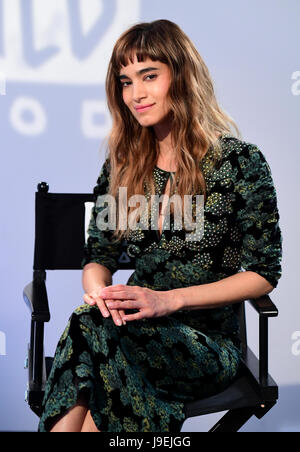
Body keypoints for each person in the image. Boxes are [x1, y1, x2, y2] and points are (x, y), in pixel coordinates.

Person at [38, 19, 282, 432]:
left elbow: (263, 275)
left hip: (204, 344)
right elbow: (98, 258)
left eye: (149, 76)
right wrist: (103, 298)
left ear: (182, 76)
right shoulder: (122, 166)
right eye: (125, 81)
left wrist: (169, 301)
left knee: (93, 343)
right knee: (95, 328)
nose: (136, 94)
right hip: (127, 330)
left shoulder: (240, 163)